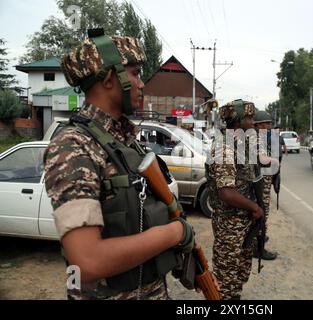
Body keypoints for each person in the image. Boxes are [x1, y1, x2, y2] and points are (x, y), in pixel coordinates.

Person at [43, 30, 196, 300]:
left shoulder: (127, 143)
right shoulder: (73, 146)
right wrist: (175, 232)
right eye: (135, 73)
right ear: (110, 78)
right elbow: (86, 263)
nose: (142, 84)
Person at [206, 99, 263, 300]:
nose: (253, 121)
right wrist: (254, 207)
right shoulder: (224, 148)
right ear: (237, 120)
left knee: (238, 276)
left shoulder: (240, 145)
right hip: (229, 223)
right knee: (225, 279)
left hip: (243, 221)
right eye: (248, 117)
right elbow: (226, 192)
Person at [253, 110, 279, 261]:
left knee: (263, 215)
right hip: (260, 186)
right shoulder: (256, 139)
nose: (270, 126)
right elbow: (262, 160)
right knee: (262, 215)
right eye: (267, 123)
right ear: (259, 125)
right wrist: (274, 162)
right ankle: (259, 249)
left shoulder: (262, 139)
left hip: (264, 183)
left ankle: (259, 240)